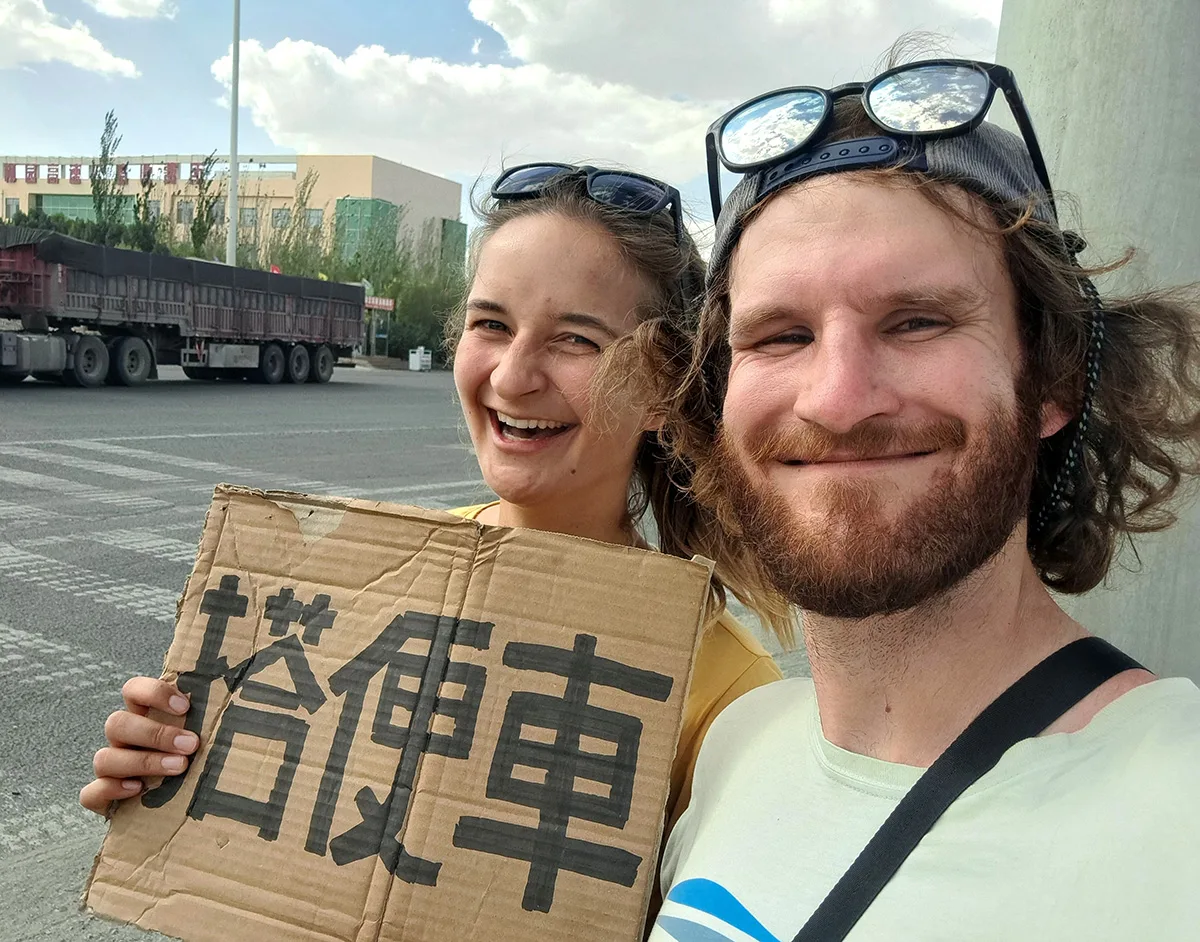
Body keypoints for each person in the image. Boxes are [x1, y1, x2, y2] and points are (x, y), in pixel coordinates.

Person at [647, 56, 1200, 941]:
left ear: (1054, 374)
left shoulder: (1180, 818)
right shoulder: (738, 744)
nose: (836, 400)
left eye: (917, 321)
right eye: (780, 335)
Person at [78, 164, 785, 848]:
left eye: (577, 339)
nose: (512, 376)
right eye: (491, 325)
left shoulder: (728, 694)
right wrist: (167, 779)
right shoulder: (373, 581)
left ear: (664, 386)